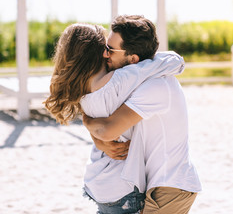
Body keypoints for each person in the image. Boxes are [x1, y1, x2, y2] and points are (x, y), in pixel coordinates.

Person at [44, 22, 186, 214]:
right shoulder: (119, 81)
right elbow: (161, 64)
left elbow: (96, 125)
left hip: (97, 181)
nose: (107, 53)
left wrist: (89, 126)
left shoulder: (81, 93)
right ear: (100, 52)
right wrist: (177, 59)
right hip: (123, 187)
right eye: (106, 48)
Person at [83, 15, 202, 214]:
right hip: (156, 184)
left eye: (111, 50)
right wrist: (99, 140)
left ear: (133, 59)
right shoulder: (137, 81)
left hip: (169, 187)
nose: (105, 55)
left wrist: (87, 122)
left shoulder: (155, 86)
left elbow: (107, 128)